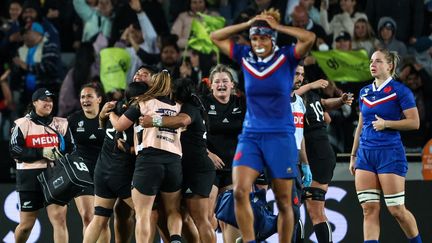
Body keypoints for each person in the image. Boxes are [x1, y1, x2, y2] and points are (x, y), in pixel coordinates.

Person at [210, 8, 315, 242]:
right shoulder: (245, 56)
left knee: (284, 202)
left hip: (280, 136)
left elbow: (309, 38)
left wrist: (276, 26)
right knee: (239, 191)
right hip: (252, 135)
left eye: (263, 37)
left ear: (272, 39)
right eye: (254, 37)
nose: (257, 42)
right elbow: (215, 36)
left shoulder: (287, 58)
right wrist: (247, 23)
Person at [349, 49, 422, 243]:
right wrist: (353, 155)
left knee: (397, 210)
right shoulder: (364, 91)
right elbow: (361, 124)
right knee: (368, 210)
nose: (372, 64)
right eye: (371, 61)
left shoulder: (401, 90)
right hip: (365, 154)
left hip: (390, 153)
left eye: (378, 61)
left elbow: (414, 122)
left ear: (390, 66)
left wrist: (387, 124)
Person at [109, 70, 184, 243]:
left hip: (149, 161)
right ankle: (175, 239)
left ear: (153, 85)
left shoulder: (143, 102)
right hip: (174, 162)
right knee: (172, 210)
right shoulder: (178, 107)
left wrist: (110, 114)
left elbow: (120, 126)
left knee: (144, 214)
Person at [139, 77, 216, 243]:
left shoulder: (189, 107)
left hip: (197, 170)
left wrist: (154, 121)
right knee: (186, 218)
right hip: (187, 168)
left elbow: (181, 121)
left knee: (201, 220)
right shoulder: (191, 106)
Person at [295, 63, 353, 243]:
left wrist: (341, 101)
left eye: (301, 74)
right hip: (314, 152)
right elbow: (326, 113)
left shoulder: (302, 95)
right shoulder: (305, 94)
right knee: (294, 210)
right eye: (295, 73)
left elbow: (325, 106)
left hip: (316, 154)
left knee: (315, 211)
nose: (299, 78)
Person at [9, 87, 75, 243]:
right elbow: (14, 150)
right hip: (29, 178)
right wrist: (41, 152)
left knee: (59, 220)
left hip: (55, 176)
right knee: (26, 225)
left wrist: (60, 153)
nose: (49, 103)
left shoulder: (62, 123)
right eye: (44, 100)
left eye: (51, 100)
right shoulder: (21, 124)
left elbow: (72, 148)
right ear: (34, 103)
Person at [203, 64, 245, 242]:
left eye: (225, 81)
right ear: (211, 85)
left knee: (229, 218)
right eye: (217, 81)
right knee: (207, 216)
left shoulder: (241, 104)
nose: (221, 84)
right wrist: (208, 154)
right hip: (208, 167)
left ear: (232, 85)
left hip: (233, 168)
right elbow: (190, 135)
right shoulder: (202, 104)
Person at [67, 83, 108, 241]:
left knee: (102, 222)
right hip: (82, 173)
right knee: (88, 217)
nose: (85, 100)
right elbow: (52, 131)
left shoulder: (109, 117)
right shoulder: (73, 120)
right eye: (82, 97)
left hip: (105, 173)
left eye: (89, 96)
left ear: (99, 99)